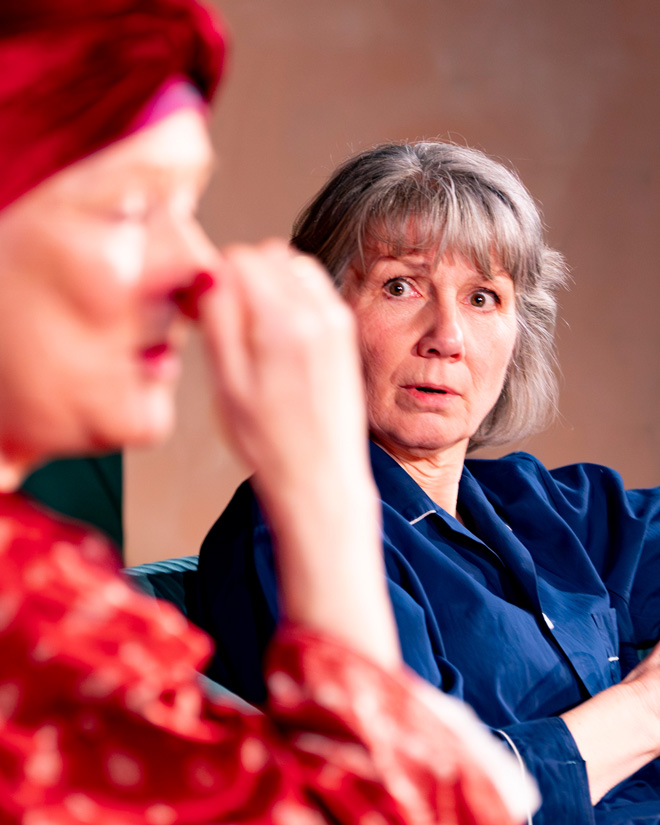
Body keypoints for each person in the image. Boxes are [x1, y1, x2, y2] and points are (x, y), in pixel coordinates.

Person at [0, 7, 537, 824]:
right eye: (131, 209)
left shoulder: (47, 573)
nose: (197, 267)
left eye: (486, 296)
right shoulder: (32, 625)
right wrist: (322, 489)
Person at [197, 140, 660, 825]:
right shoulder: (300, 542)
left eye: (482, 296)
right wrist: (643, 711)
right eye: (400, 285)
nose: (447, 335)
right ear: (323, 315)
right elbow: (426, 799)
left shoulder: (547, 506)